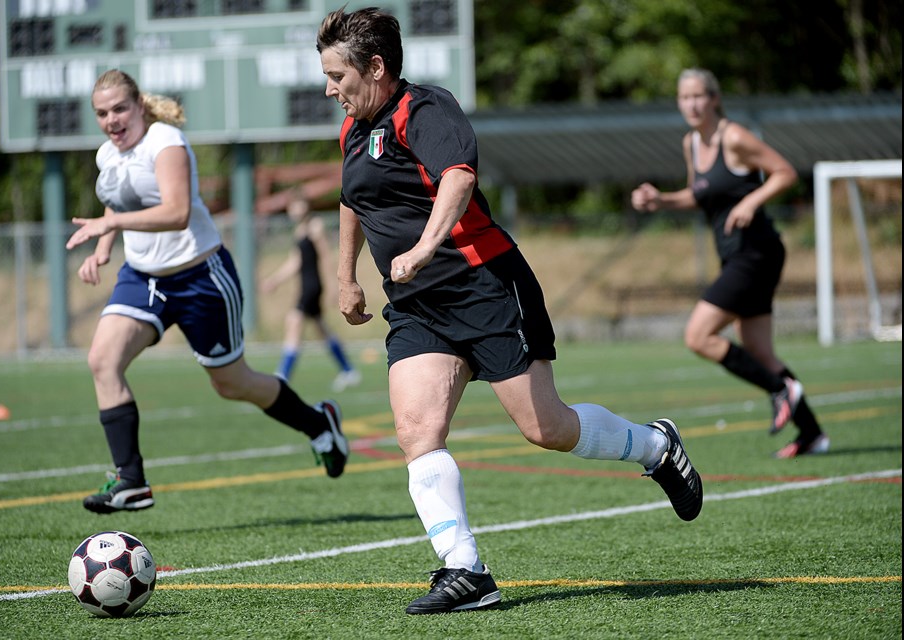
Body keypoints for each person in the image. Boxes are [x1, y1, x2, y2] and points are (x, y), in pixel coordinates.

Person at [316, 7, 703, 615]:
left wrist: (421, 248)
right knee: (417, 431)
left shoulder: (426, 110)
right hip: (419, 308)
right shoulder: (353, 130)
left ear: (377, 67)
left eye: (338, 75)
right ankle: (466, 570)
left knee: (546, 428)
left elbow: (458, 180)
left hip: (485, 286)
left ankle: (654, 447)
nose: (330, 88)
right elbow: (350, 200)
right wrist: (345, 278)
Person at [66, 69, 349, 515]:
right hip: (143, 279)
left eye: (119, 108)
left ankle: (319, 424)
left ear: (139, 105)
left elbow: (177, 212)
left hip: (201, 278)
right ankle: (131, 481)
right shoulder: (108, 154)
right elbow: (116, 200)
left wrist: (112, 226)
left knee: (232, 384)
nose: (111, 120)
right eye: (101, 113)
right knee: (102, 359)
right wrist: (102, 248)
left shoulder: (165, 143)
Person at [631, 68, 829, 459]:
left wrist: (751, 200)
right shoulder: (692, 143)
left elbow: (785, 172)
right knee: (759, 350)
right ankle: (812, 433)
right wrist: (661, 200)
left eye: (698, 96)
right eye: (684, 97)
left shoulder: (733, 137)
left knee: (698, 336)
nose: (691, 104)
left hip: (756, 252)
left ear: (714, 98)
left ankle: (780, 390)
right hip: (736, 254)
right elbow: (698, 195)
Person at [260, 194, 362, 392]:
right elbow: (295, 262)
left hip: (313, 286)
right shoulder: (300, 231)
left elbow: (325, 256)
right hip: (306, 284)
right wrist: (274, 281)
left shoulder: (315, 226)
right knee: (322, 329)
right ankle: (349, 370)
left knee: (293, 321)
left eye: (297, 205)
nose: (294, 210)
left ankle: (282, 376)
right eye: (291, 206)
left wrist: (335, 285)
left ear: (306, 206)